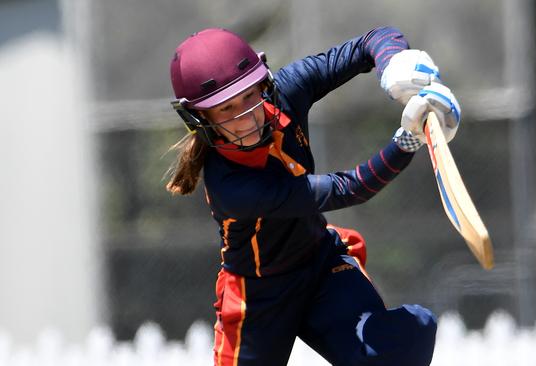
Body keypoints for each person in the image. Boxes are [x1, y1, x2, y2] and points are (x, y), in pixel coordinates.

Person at [166, 26, 461, 366]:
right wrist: (406, 142)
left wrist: (395, 64)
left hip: (321, 265)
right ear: (200, 118)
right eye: (227, 109)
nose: (246, 117)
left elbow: (370, 41)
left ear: (264, 83)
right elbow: (350, 189)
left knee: (393, 354)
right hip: (257, 296)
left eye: (249, 96)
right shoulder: (230, 185)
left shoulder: (289, 90)